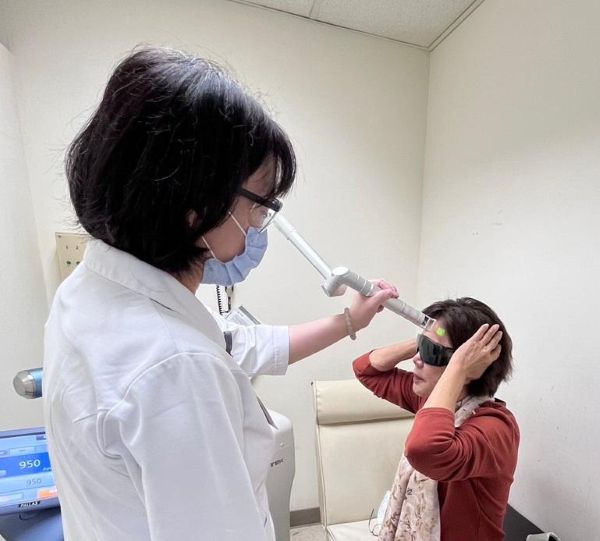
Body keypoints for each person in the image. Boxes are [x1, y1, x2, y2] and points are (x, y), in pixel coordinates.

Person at [43, 47, 398, 541]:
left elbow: (242, 345)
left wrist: (350, 321)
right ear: (193, 203)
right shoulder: (177, 368)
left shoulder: (89, 293)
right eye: (259, 204)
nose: (259, 222)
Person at [353, 297, 519, 541]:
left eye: (431, 353)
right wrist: (428, 338)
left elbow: (425, 451)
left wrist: (458, 365)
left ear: (471, 366)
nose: (416, 359)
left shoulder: (495, 427)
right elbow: (367, 369)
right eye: (421, 347)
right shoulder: (430, 400)